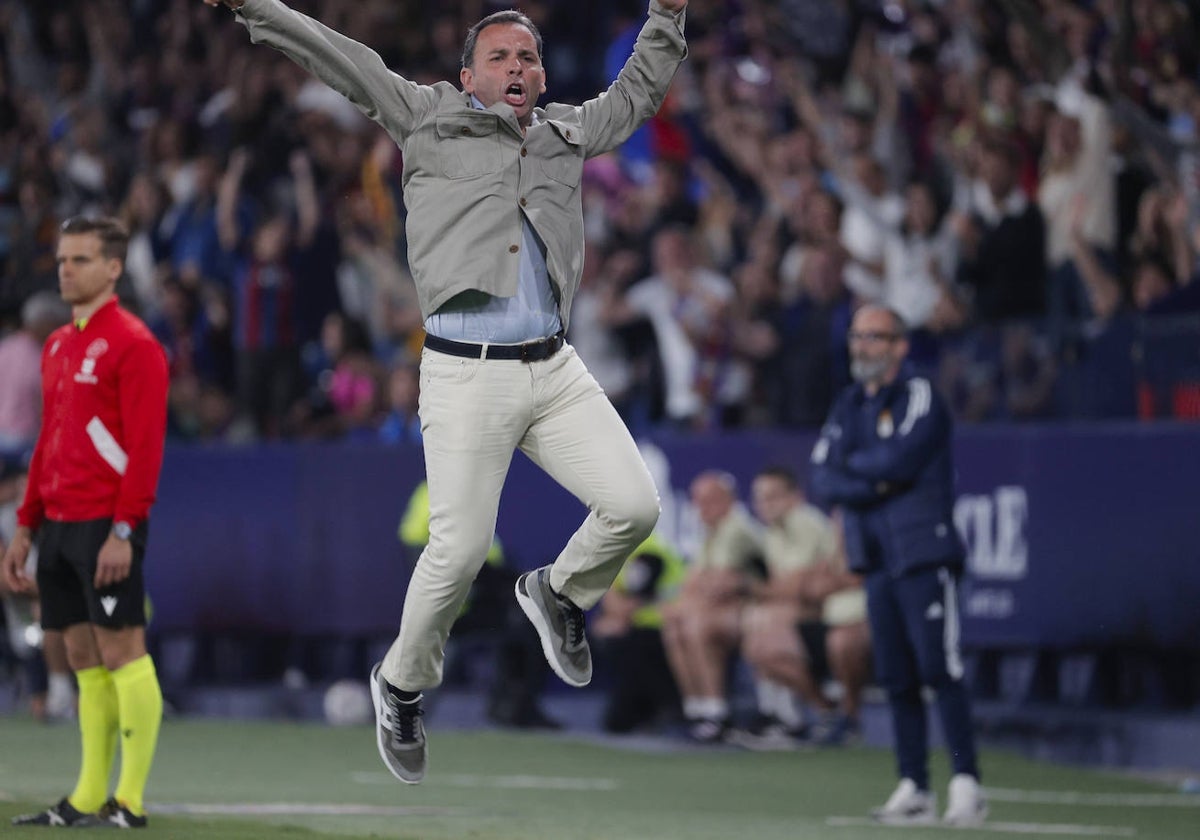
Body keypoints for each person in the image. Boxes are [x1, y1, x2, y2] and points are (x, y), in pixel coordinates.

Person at [205, 0, 687, 784]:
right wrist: (255, 9)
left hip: (555, 368)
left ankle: (558, 593)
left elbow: (636, 96)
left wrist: (665, 16)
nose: (518, 69)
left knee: (634, 507)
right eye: (500, 57)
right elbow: (337, 56)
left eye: (528, 57)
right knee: (458, 551)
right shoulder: (427, 116)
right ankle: (400, 684)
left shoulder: (566, 133)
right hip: (464, 368)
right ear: (468, 76)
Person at [3, 216, 170, 828]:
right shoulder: (57, 344)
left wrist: (125, 529)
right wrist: (25, 526)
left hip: (106, 524)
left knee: (123, 649)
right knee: (78, 654)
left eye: (79, 259)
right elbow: (49, 441)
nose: (65, 269)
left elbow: (147, 447)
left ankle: (129, 799)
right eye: (62, 260)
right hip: (58, 524)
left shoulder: (134, 343)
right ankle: (84, 796)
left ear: (113, 267)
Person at [810, 304, 986, 827]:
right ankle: (914, 785)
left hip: (922, 549)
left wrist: (859, 473)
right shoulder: (847, 403)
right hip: (877, 555)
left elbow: (899, 462)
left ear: (899, 345)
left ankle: (966, 783)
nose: (862, 346)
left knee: (940, 668)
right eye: (857, 336)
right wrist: (875, 480)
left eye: (875, 336)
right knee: (896, 676)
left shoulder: (920, 394)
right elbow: (822, 477)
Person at [736, 467, 870, 749]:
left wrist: (768, 589)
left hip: (832, 612)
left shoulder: (804, 521)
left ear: (794, 497)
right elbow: (786, 584)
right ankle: (785, 713)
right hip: (815, 611)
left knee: (764, 626)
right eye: (760, 498)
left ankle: (803, 715)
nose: (765, 504)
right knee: (758, 624)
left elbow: (803, 585)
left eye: (773, 496)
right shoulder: (773, 532)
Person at [660, 470, 763, 742]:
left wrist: (689, 602)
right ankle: (699, 709)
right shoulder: (711, 531)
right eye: (698, 501)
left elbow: (718, 585)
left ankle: (718, 713)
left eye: (709, 500)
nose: (701, 508)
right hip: (730, 610)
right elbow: (695, 582)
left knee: (695, 625)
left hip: (756, 610)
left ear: (727, 500)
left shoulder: (736, 528)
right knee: (674, 626)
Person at [591, 531, 686, 734]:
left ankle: (664, 705)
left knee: (617, 721)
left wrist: (616, 614)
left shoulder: (648, 553)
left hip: (658, 630)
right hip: (640, 629)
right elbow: (610, 599)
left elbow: (625, 605)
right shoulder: (621, 551)